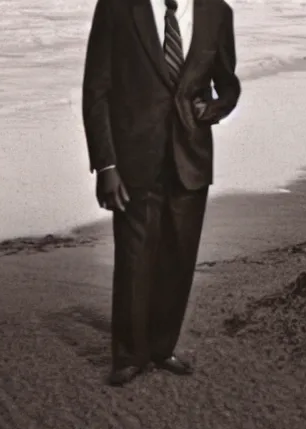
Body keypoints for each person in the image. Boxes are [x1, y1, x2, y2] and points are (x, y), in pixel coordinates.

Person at [82, 0, 240, 386]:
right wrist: (106, 166)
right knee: (134, 256)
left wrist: (213, 109)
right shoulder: (118, 8)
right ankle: (128, 355)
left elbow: (227, 82)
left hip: (191, 157)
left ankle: (161, 347)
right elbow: (96, 90)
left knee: (179, 256)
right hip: (133, 159)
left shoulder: (217, 12)